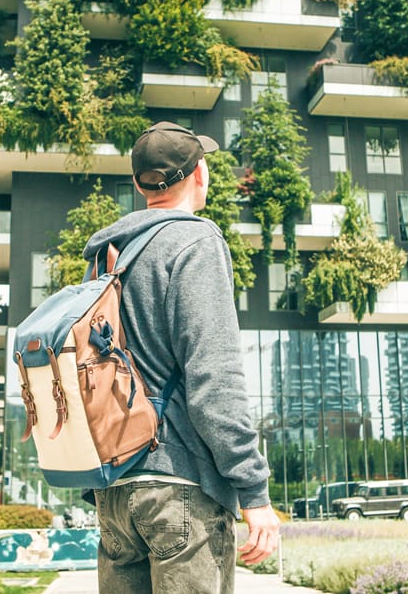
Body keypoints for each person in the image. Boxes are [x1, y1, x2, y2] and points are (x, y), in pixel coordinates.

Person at [84, 122, 278, 593]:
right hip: (179, 489)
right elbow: (215, 379)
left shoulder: (107, 254)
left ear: (139, 184)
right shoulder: (196, 242)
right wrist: (253, 490)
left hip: (115, 490)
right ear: (199, 175)